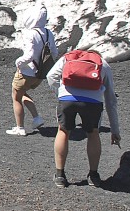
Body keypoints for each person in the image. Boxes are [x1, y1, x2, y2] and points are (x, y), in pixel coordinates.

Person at [46, 50, 122, 187]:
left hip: (67, 99)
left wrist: (61, 91)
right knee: (93, 133)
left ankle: (60, 175)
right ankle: (93, 175)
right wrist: (114, 130)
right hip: (92, 102)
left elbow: (51, 76)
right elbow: (111, 100)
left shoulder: (68, 58)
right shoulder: (102, 64)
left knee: (63, 131)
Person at [8, 5, 58, 136]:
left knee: (16, 97)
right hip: (40, 74)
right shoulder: (48, 33)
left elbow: (29, 56)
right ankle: (36, 118)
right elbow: (54, 52)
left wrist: (18, 62)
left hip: (27, 72)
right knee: (22, 92)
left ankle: (20, 127)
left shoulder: (30, 34)